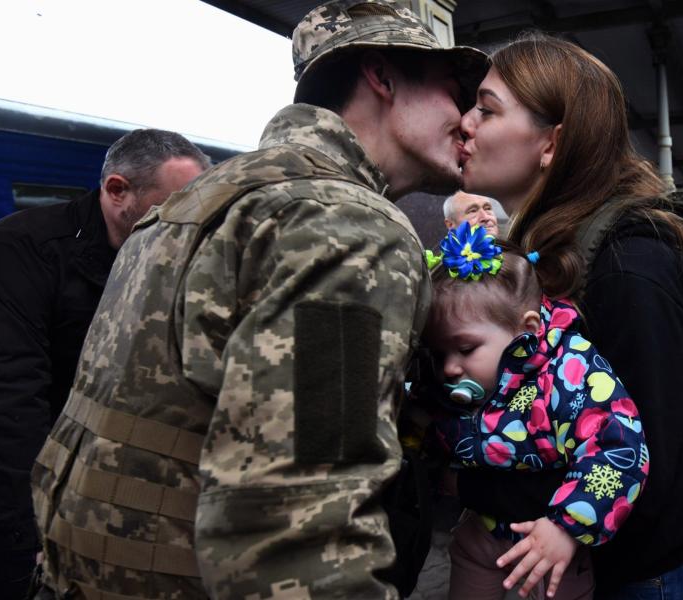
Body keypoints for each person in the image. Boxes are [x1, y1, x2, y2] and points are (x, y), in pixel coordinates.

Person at [28, 1, 487, 599]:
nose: (469, 120)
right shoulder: (345, 225)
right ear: (382, 76)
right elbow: (300, 523)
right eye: (457, 93)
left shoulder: (205, 199)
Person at [453, 33, 683, 599]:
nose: (464, 123)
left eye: (486, 108)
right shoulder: (546, 249)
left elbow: (637, 453)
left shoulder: (628, 262)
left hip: (651, 577)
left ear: (552, 144)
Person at [0, 128, 208, 599]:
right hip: (11, 497)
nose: (184, 223)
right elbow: (6, 401)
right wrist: (36, 531)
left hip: (89, 498)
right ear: (117, 190)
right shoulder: (19, 251)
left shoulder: (162, 258)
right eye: (170, 206)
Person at [423, 223, 648, 599]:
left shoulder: (570, 371)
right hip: (480, 534)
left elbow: (619, 447)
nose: (449, 368)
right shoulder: (465, 382)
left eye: (464, 349)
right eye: (439, 353)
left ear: (524, 329)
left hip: (549, 542)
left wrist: (567, 525)